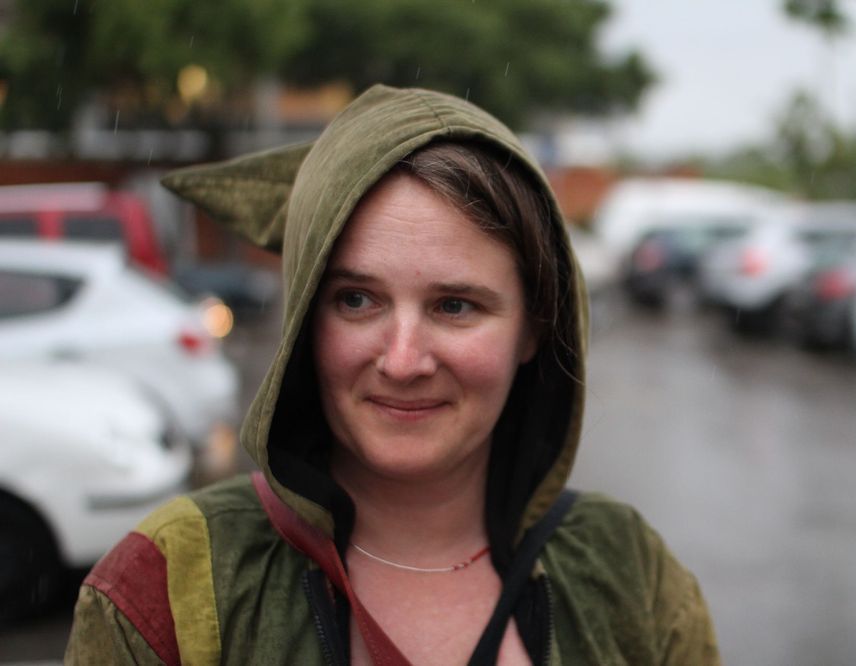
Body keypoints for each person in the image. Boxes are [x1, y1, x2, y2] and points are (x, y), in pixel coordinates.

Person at [65, 85, 718, 665]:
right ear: (305, 319)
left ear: (533, 328)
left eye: (454, 306)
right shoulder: (170, 583)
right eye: (356, 300)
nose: (403, 362)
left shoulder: (629, 574)